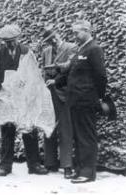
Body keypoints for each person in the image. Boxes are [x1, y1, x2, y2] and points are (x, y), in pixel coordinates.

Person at [0, 24, 54, 177]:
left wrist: (31, 91)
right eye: (6, 41)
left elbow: (34, 74)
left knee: (29, 129)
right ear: (3, 42)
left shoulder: (26, 51)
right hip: (7, 96)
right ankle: (5, 166)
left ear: (17, 39)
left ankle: (34, 165)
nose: (10, 44)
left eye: (12, 40)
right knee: (7, 129)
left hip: (25, 96)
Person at [67, 20, 107, 183]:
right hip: (76, 100)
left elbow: (101, 76)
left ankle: (88, 172)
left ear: (86, 31)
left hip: (86, 100)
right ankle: (80, 169)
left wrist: (98, 97)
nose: (74, 36)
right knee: (78, 136)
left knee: (87, 136)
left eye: (76, 33)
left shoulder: (94, 49)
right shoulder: (81, 49)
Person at [40, 28, 77, 179]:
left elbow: (73, 71)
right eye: (49, 40)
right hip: (49, 94)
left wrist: (56, 81)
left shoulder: (71, 48)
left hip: (64, 94)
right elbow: (43, 71)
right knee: (48, 127)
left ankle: (67, 165)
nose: (52, 42)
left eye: (53, 38)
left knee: (66, 130)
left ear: (58, 36)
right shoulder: (46, 52)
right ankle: (50, 162)